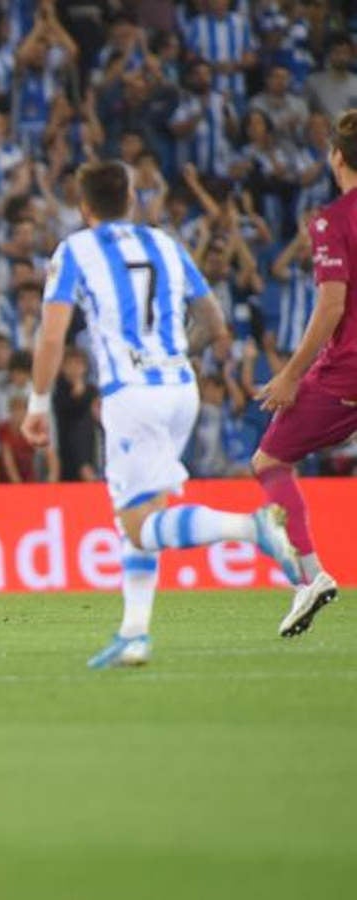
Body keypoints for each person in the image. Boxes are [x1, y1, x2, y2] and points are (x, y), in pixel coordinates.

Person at [22, 161, 300, 670]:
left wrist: (38, 405)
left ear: (85, 207)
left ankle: (250, 529)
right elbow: (215, 320)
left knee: (135, 526)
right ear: (129, 200)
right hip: (180, 387)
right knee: (144, 510)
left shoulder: (76, 250)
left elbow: (52, 336)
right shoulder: (166, 244)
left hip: (132, 393)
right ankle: (134, 633)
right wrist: (174, 357)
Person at [252, 109, 357, 638]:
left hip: (348, 373)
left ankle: (311, 577)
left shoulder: (331, 222)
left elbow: (332, 306)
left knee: (270, 460)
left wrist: (292, 374)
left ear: (336, 156)